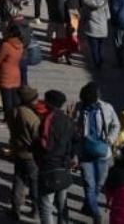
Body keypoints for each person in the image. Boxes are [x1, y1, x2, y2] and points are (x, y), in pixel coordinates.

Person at [73, 82, 120, 224]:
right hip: (85, 152)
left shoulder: (106, 108)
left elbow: (116, 124)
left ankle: (88, 205)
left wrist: (110, 140)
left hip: (102, 152)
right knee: (89, 184)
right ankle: (96, 214)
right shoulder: (79, 108)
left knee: (99, 183)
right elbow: (74, 129)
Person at [35, 90, 76, 224]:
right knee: (62, 201)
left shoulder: (48, 119)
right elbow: (75, 139)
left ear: (49, 103)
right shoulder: (68, 120)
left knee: (46, 204)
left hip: (50, 165)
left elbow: (44, 144)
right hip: (64, 165)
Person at [7, 86, 41, 221]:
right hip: (30, 154)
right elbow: (37, 136)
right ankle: (36, 209)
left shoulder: (13, 111)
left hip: (17, 151)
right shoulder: (30, 116)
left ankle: (15, 208)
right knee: (34, 182)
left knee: (18, 180)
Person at [0, 24, 25, 120]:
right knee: (14, 98)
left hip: (5, 74)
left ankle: (8, 120)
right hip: (16, 73)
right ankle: (17, 117)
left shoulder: (6, 45)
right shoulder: (20, 45)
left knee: (7, 99)